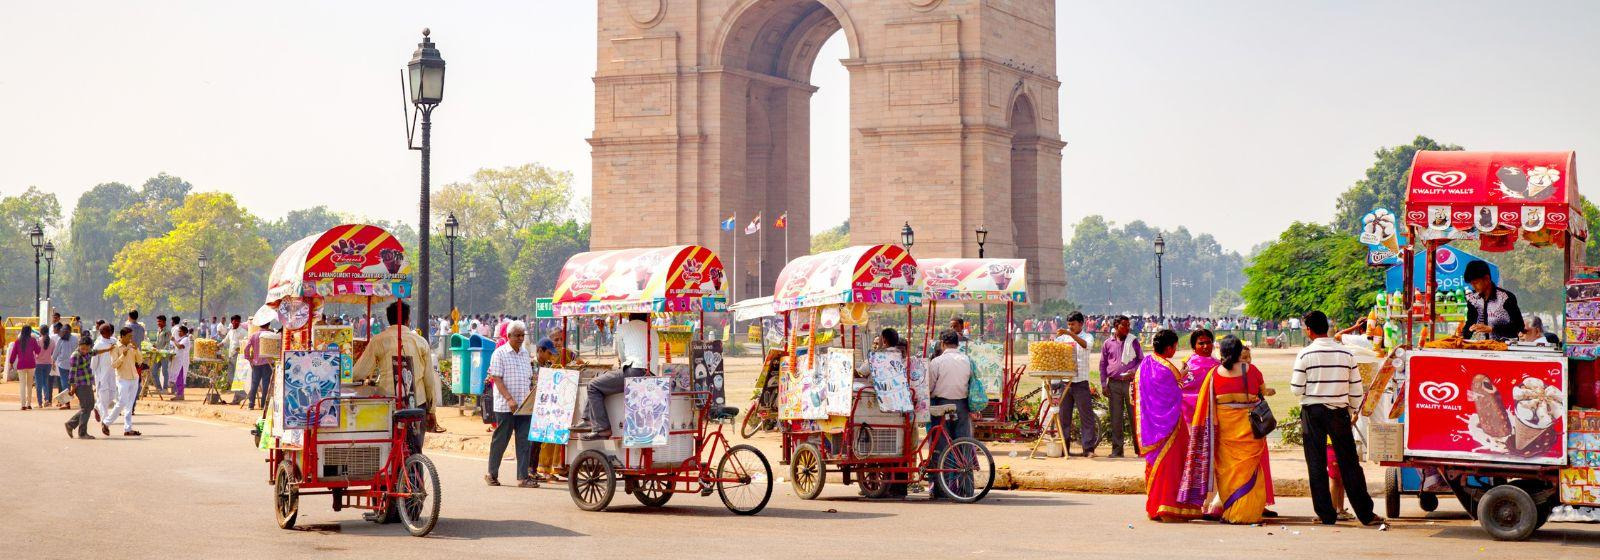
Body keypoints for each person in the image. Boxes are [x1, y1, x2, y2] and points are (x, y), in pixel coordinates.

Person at [1292, 310, 1383, 527]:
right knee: (1349, 463)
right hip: (1339, 412)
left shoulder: (1305, 354)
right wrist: (1351, 410)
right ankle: (1365, 514)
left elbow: (1296, 389)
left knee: (1316, 463)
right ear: (1328, 327)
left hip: (1312, 412)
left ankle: (1326, 514)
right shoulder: (1346, 354)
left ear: (1309, 330)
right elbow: (1356, 390)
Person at [1178, 335, 1273, 524]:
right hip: (1249, 430)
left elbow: (1208, 405)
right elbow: (1260, 393)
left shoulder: (1214, 374)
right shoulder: (1252, 370)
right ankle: (1247, 513)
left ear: (1222, 352)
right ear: (1239, 352)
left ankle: (1231, 511)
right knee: (1250, 470)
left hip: (1225, 430)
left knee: (1227, 472)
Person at [350, 301, 444, 438]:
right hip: (417, 404)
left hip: (389, 404)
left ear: (389, 319)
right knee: (415, 448)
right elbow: (429, 380)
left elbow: (358, 373)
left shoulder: (378, 341)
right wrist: (432, 410)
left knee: (389, 446)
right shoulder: (420, 341)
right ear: (407, 319)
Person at [1135, 329, 1198, 521]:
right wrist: (1183, 376)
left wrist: (1178, 376)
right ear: (1170, 347)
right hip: (1170, 425)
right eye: (1175, 347)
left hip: (1151, 427)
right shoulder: (1166, 369)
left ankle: (1154, 507)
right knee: (1172, 465)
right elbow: (1173, 394)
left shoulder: (1145, 364)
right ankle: (1169, 507)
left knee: (1155, 464)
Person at [573, 313, 655, 440]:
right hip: (651, 375)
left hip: (635, 371)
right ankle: (587, 418)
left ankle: (602, 428)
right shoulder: (653, 330)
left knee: (593, 385)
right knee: (602, 378)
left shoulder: (623, 327)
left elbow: (622, 357)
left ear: (630, 316)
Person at [485, 321, 537, 488]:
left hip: (523, 405)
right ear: (508, 336)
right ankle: (491, 473)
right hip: (505, 405)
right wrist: (509, 399)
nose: (521, 338)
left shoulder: (524, 353)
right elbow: (497, 378)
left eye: (523, 335)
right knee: (501, 440)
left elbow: (529, 378)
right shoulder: (499, 353)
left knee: (524, 441)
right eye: (517, 335)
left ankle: (523, 477)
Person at [926, 330, 973, 500]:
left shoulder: (937, 362)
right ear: (957, 343)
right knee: (964, 447)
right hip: (962, 405)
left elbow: (930, 386)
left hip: (941, 404)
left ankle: (941, 488)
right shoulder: (967, 360)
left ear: (942, 343)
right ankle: (966, 488)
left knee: (941, 447)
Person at [1055, 312, 1098, 457]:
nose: (1070, 327)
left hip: (1081, 382)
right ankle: (1064, 448)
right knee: (1063, 417)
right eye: (1069, 325)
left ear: (1081, 323)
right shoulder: (1063, 338)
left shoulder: (1088, 337)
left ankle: (1088, 449)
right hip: (1065, 382)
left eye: (1073, 324)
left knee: (1086, 417)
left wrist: (1070, 334)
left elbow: (1086, 345)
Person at [1099, 315, 1142, 457]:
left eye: (1129, 325)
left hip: (1130, 384)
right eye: (1125, 325)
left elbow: (1141, 360)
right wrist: (1104, 384)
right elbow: (1103, 364)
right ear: (1116, 326)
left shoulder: (1133, 341)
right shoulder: (1108, 343)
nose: (1128, 328)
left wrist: (1134, 370)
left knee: (1134, 417)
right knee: (1115, 418)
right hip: (1114, 384)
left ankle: (1139, 449)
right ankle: (1117, 450)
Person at [1458, 259, 1524, 341]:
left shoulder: (1506, 297)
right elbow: (1470, 323)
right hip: (1480, 348)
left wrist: (1492, 329)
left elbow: (1519, 327)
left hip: (1505, 349)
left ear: (1487, 278)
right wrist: (1464, 335)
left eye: (1475, 283)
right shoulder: (1472, 299)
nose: (1473, 287)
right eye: (1471, 284)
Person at [100, 327, 143, 437]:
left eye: (131, 336)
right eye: (129, 336)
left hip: (134, 378)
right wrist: (123, 355)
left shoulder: (132, 347)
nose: (130, 338)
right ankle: (106, 422)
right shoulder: (115, 348)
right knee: (122, 402)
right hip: (123, 378)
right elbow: (114, 365)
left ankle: (128, 429)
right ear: (122, 336)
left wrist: (136, 349)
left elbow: (139, 361)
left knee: (129, 405)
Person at [1181, 329, 1218, 429]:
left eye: (1208, 342)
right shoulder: (1187, 366)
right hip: (1188, 412)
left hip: (1211, 411)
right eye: (1201, 343)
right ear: (1194, 347)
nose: (1206, 346)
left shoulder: (1218, 365)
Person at [63, 337, 98, 439]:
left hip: (87, 383)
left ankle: (71, 424)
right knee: (86, 407)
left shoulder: (88, 353)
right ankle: (82, 433)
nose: (84, 351)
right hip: (80, 384)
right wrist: (73, 388)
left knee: (90, 406)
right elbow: (72, 373)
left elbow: (95, 352)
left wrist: (108, 349)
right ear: (79, 346)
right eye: (82, 348)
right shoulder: (75, 355)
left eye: (87, 349)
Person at [242, 317, 277, 410]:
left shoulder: (254, 335)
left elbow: (246, 348)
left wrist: (249, 359)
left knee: (254, 383)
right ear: (268, 324)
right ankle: (263, 405)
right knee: (266, 384)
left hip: (256, 363)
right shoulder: (271, 334)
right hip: (268, 363)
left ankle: (251, 404)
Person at [7, 325, 41, 410]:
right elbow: (38, 351)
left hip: (21, 365)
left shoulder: (18, 341)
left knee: (22, 385)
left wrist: (11, 363)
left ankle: (23, 405)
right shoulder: (33, 340)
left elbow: (13, 354)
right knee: (29, 385)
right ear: (30, 332)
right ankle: (29, 403)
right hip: (31, 364)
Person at [90, 323, 118, 416]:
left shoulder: (114, 341)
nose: (110, 332)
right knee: (103, 396)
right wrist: (93, 374)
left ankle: (97, 406)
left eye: (110, 330)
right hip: (102, 375)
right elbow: (94, 361)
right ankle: (105, 419)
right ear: (102, 333)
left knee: (112, 395)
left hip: (112, 373)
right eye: (108, 331)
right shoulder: (98, 345)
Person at [52, 324, 77, 409]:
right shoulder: (75, 338)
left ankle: (67, 403)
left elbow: (56, 352)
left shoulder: (61, 339)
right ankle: (67, 402)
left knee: (65, 384)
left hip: (63, 364)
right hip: (73, 364)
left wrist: (53, 361)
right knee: (71, 383)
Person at [32, 325, 54, 409]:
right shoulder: (52, 341)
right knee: (45, 382)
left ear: (40, 332)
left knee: (39, 384)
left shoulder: (38, 341)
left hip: (38, 363)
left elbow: (34, 352)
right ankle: (47, 400)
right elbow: (52, 352)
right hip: (48, 363)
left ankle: (40, 403)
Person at [170, 325, 192, 401]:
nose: (179, 333)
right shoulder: (181, 339)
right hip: (179, 361)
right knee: (178, 377)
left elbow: (180, 346)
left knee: (180, 378)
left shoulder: (186, 339)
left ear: (184, 332)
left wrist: (174, 340)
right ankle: (179, 393)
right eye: (178, 331)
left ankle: (180, 394)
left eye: (180, 331)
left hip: (182, 362)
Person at [150, 315, 171, 393]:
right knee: (154, 371)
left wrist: (163, 351)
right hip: (158, 354)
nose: (158, 323)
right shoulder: (159, 330)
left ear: (164, 322)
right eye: (157, 321)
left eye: (159, 321)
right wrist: (153, 345)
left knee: (164, 372)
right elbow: (158, 342)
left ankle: (165, 389)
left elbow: (168, 343)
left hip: (164, 354)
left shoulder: (167, 331)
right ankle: (158, 388)